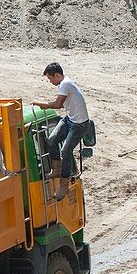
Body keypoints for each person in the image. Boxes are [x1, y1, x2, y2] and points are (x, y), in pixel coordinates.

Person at [32, 62, 90, 200]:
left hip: (79, 124)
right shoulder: (64, 84)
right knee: (51, 140)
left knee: (66, 151)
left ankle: (64, 184)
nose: (50, 82)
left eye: (50, 79)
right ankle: (56, 169)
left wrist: (41, 104)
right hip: (70, 119)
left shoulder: (65, 84)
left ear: (57, 75)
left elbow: (58, 105)